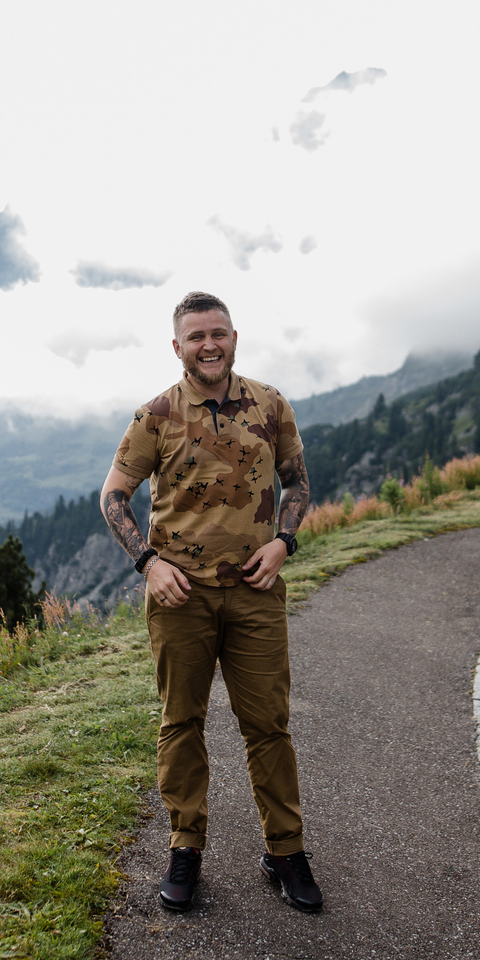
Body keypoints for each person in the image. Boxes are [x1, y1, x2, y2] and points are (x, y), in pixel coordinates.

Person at [100, 290, 323, 914]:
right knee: (182, 723)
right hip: (182, 598)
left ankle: (286, 852)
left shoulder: (271, 404)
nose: (209, 344)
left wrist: (284, 542)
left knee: (268, 728)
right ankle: (185, 849)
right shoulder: (156, 415)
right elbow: (113, 496)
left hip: (256, 592)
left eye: (218, 333)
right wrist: (148, 563)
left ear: (233, 337)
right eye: (196, 336)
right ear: (178, 346)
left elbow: (297, 481)